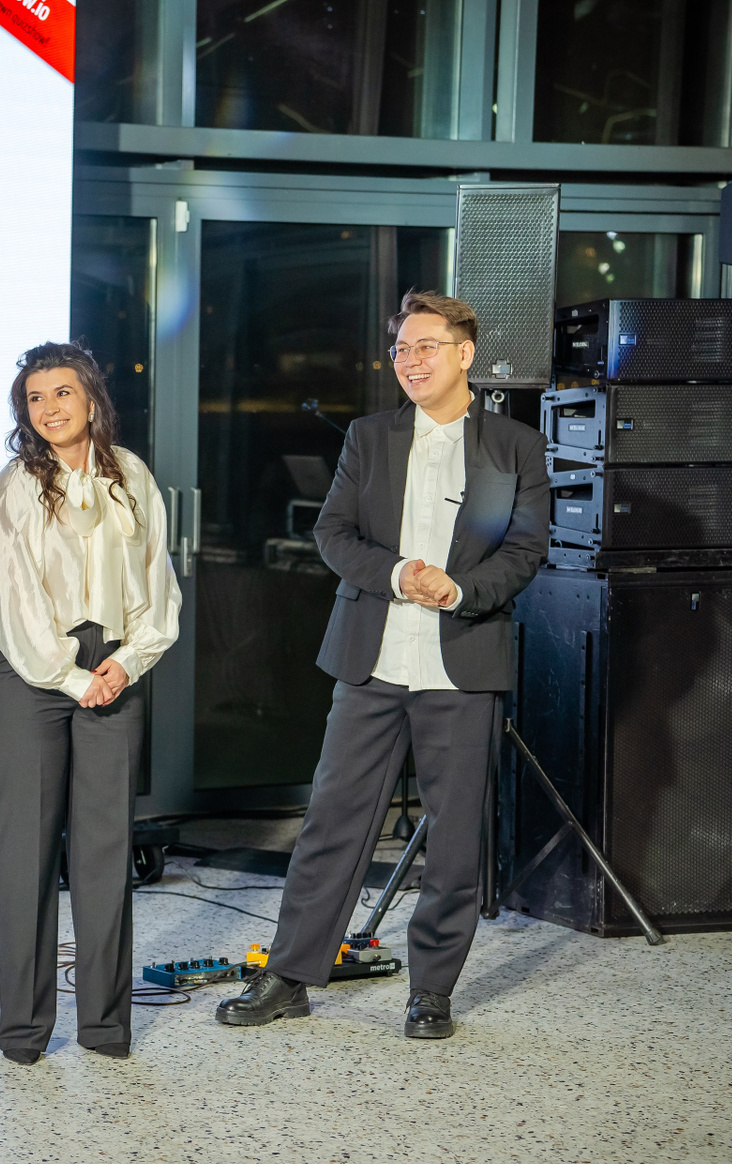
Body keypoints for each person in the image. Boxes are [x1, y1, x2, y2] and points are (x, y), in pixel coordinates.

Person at [215, 290, 547, 1040]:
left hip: (463, 664)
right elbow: (333, 533)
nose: (410, 360)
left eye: (426, 346)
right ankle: (291, 976)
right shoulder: (369, 437)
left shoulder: (515, 446)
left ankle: (432, 990)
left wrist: (459, 590)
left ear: (465, 354)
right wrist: (398, 575)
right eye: (400, 349)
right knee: (331, 823)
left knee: (455, 838)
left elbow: (525, 549)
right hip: (372, 661)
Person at [0, 342, 181, 1064]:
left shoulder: (133, 477)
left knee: (104, 852)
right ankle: (25, 1033)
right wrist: (71, 678)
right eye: (35, 398)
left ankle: (104, 1027)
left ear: (91, 397)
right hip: (30, 676)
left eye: (62, 392)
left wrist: (126, 662)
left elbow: (156, 585)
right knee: (25, 857)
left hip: (114, 666)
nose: (50, 408)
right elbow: (12, 599)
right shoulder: (16, 486)